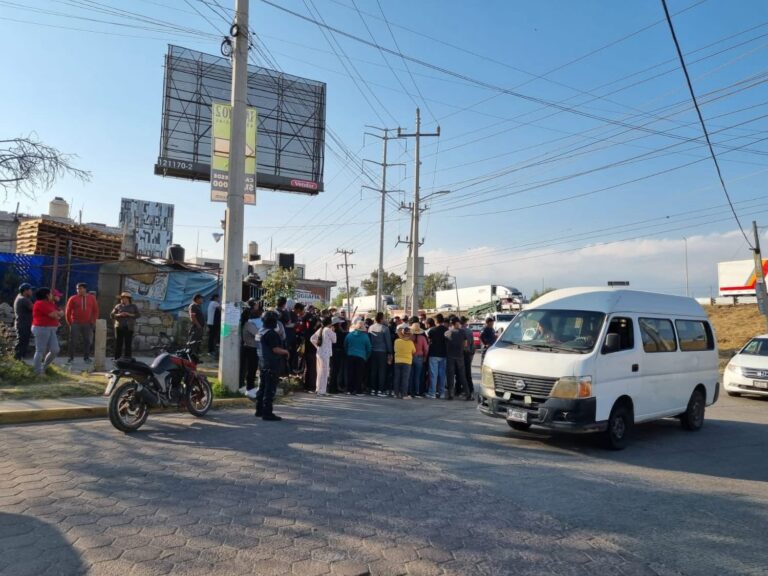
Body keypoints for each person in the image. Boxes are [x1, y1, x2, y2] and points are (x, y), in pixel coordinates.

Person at [256, 310, 289, 421]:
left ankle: (259, 410)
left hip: (262, 363)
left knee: (262, 388)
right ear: (272, 321)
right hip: (271, 364)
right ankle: (267, 413)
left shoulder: (260, 331)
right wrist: (286, 352)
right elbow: (275, 349)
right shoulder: (271, 334)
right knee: (269, 390)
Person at [31, 287, 64, 375]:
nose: (51, 295)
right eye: (50, 294)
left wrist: (58, 314)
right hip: (41, 328)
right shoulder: (40, 303)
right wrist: (57, 314)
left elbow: (61, 313)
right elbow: (54, 315)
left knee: (55, 349)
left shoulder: (50, 303)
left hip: (51, 328)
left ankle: (44, 367)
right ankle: (37, 372)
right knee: (40, 350)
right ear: (46, 295)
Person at [65, 282, 99, 363]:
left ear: (85, 289)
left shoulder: (92, 298)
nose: (78, 290)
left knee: (88, 340)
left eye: (80, 288)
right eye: (77, 289)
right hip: (75, 323)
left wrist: (93, 321)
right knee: (73, 340)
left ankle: (86, 358)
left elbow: (96, 311)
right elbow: (68, 311)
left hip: (88, 323)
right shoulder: (73, 298)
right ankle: (71, 358)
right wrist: (70, 322)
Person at [310, 316, 337, 396]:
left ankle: (318, 388)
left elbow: (312, 339)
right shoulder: (328, 330)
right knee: (324, 372)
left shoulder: (320, 329)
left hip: (319, 352)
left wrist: (318, 346)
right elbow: (334, 340)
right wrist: (333, 331)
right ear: (330, 323)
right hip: (325, 354)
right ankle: (322, 391)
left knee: (319, 371)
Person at [444, 316, 469, 400]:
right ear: (457, 323)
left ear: (451, 324)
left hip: (450, 356)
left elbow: (446, 343)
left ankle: (451, 394)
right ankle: (467, 394)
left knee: (450, 375)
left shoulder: (447, 333)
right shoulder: (463, 332)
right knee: (462, 375)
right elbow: (465, 344)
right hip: (460, 356)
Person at [368, 312, 393, 396]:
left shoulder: (371, 327)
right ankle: (380, 390)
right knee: (382, 371)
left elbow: (369, 340)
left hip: (373, 351)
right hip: (382, 352)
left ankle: (372, 389)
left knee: (373, 371)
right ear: (381, 319)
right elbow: (388, 342)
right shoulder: (385, 329)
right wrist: (390, 352)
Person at [110, 292, 140, 360]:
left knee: (128, 344)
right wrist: (119, 315)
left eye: (124, 298)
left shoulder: (133, 306)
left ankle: (128, 359)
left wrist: (129, 314)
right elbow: (112, 315)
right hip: (119, 327)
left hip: (129, 327)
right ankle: (117, 359)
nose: (122, 299)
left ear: (128, 299)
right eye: (122, 298)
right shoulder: (118, 306)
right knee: (118, 344)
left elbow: (138, 315)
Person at [344, 320, 371, 395]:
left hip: (350, 355)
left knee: (350, 373)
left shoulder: (349, 335)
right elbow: (369, 348)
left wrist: (348, 353)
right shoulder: (365, 337)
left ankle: (349, 390)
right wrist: (366, 357)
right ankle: (358, 390)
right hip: (361, 357)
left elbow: (345, 345)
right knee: (359, 374)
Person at [242, 308, 262, 398]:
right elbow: (257, 334)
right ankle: (249, 388)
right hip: (251, 348)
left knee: (252, 369)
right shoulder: (249, 324)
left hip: (252, 348)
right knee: (251, 369)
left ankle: (249, 388)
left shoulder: (250, 323)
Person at [426, 314, 448, 398]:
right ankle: (442, 393)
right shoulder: (446, 330)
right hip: (444, 354)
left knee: (433, 374)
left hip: (434, 354)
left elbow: (429, 341)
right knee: (442, 375)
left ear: (436, 321)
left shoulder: (432, 330)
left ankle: (432, 393)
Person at [393, 324, 415, 399]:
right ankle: (404, 394)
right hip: (407, 362)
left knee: (397, 378)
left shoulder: (397, 341)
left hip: (397, 361)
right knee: (405, 378)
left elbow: (395, 350)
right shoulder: (411, 343)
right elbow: (414, 351)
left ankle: (396, 393)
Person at [13, 283, 34, 360]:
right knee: (22, 342)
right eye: (30, 290)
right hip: (23, 324)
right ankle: (16, 359)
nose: (32, 292)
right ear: (25, 291)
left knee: (23, 342)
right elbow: (34, 309)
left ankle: (19, 359)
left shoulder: (19, 297)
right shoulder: (24, 299)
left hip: (22, 323)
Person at [409, 322, 428, 398]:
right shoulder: (422, 338)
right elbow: (426, 349)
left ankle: (410, 391)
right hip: (419, 358)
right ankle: (417, 391)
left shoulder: (410, 337)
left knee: (410, 375)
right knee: (418, 375)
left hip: (410, 357)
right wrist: (425, 357)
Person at [329, 319, 347, 394]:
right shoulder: (339, 332)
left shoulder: (331, 332)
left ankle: (332, 387)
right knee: (335, 371)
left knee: (333, 370)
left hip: (332, 351)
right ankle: (333, 388)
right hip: (337, 352)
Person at [461, 316, 475, 399]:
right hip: (468, 353)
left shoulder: (460, 331)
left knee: (462, 373)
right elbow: (473, 345)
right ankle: (471, 389)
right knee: (468, 373)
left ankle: (464, 390)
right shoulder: (469, 331)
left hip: (462, 353)